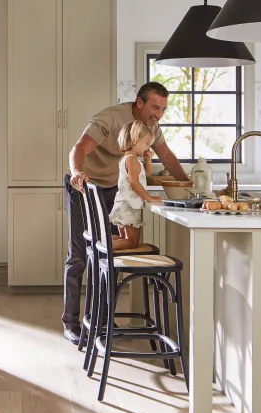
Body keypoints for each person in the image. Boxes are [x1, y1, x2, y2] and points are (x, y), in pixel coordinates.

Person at [63, 82, 188, 344]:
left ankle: (102, 319)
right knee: (79, 256)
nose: (159, 114)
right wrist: (77, 173)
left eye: (163, 109)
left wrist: (188, 184)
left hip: (114, 189)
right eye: (155, 107)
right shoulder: (110, 118)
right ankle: (71, 323)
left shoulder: (152, 127)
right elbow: (80, 148)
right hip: (84, 186)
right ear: (139, 103)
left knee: (108, 254)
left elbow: (167, 156)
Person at [109, 122, 163, 250]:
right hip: (129, 206)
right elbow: (134, 183)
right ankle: (106, 246)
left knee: (125, 240)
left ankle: (107, 243)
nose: (148, 148)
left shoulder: (129, 158)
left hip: (124, 204)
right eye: (147, 144)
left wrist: (148, 159)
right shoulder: (132, 160)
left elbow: (147, 173)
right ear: (135, 142)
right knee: (132, 243)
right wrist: (150, 198)